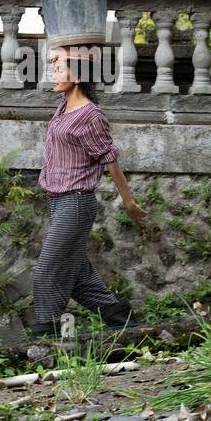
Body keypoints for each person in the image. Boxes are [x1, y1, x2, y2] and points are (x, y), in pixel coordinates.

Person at [28, 45, 148, 339]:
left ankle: (47, 332)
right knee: (78, 274)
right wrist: (59, 53)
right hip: (56, 202)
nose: (53, 74)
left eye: (59, 69)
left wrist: (129, 202)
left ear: (78, 74)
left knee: (46, 271)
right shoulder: (62, 107)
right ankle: (118, 316)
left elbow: (110, 159)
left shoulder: (91, 115)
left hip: (76, 203)